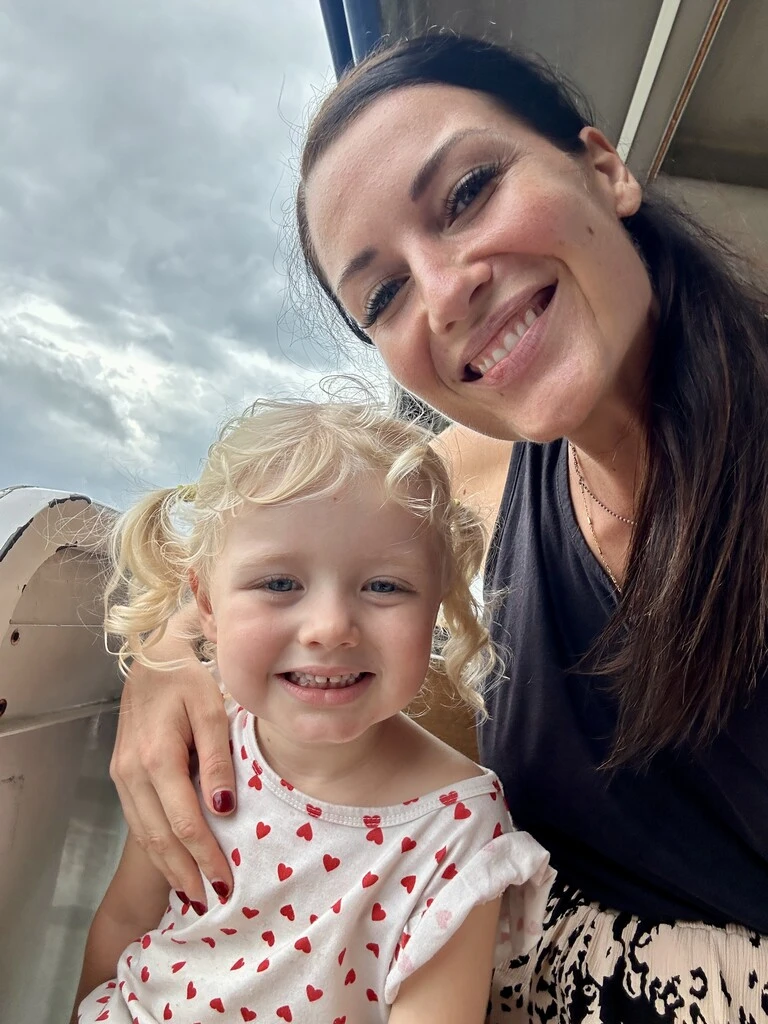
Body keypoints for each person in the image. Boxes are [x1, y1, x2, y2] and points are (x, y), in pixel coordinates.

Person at [106, 33, 768, 1023]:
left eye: (466, 195)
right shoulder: (468, 475)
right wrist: (169, 659)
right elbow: (268, 533)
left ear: (604, 169)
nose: (447, 287)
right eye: (384, 292)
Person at [73, 399, 553, 1024]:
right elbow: (126, 919)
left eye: (384, 586)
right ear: (206, 606)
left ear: (436, 606)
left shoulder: (459, 828)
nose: (330, 627)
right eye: (279, 584)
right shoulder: (202, 745)